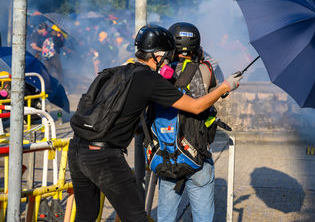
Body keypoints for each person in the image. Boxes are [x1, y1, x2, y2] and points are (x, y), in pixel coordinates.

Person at [67, 25, 242, 222]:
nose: (168, 62)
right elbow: (195, 107)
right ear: (156, 57)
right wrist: (225, 86)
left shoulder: (116, 72)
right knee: (135, 217)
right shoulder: (149, 79)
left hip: (76, 150)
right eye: (167, 57)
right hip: (104, 157)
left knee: (86, 215)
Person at [156, 22, 217, 222]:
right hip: (198, 155)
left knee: (165, 216)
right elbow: (216, 88)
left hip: (168, 155)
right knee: (203, 216)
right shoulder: (207, 69)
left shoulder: (158, 73)